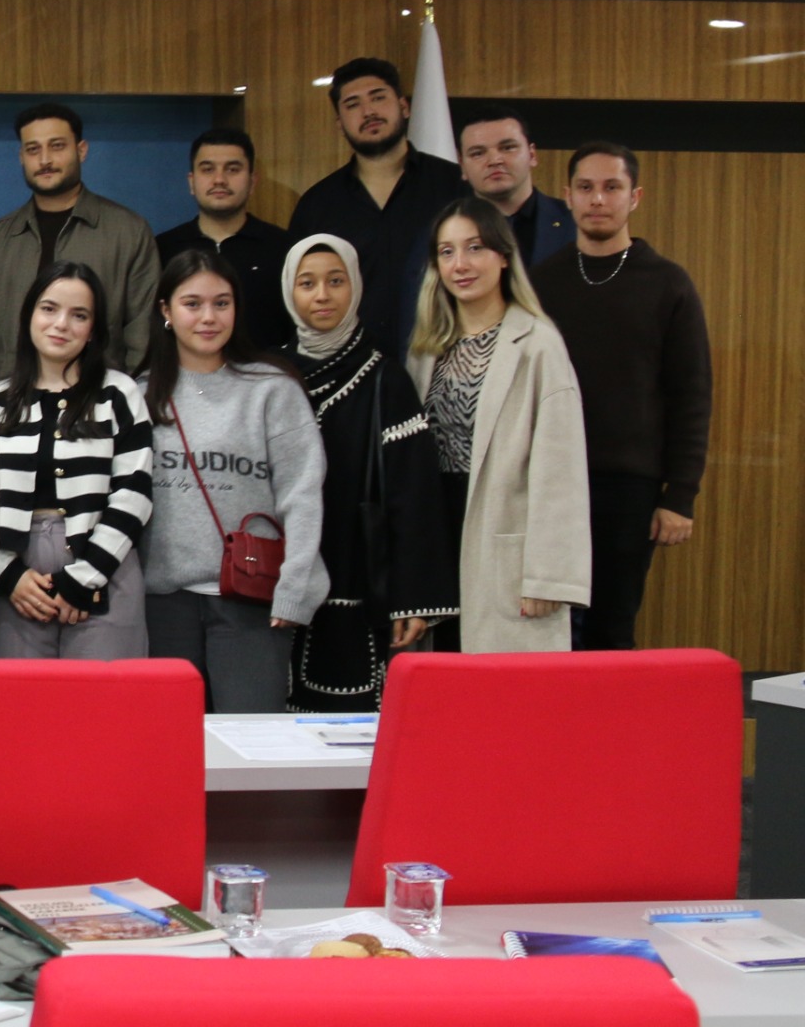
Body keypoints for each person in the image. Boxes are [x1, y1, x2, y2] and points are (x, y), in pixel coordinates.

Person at [531, 142, 711, 651]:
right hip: (550, 483)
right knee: (546, 626)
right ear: (567, 196)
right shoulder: (540, 284)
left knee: (612, 627)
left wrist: (680, 496)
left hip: (629, 488)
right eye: (586, 187)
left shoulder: (668, 283)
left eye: (612, 187)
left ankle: (603, 732)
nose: (598, 199)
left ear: (635, 197)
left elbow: (691, 396)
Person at [139, 248, 328, 710]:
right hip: (160, 607)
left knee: (251, 753)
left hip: (251, 602)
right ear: (166, 310)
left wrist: (295, 590)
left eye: (221, 303)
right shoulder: (138, 393)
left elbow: (302, 494)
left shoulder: (272, 388)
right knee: (168, 755)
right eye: (192, 303)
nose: (208, 317)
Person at [279, 235, 457, 707]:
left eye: (336, 281)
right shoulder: (270, 375)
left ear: (355, 287)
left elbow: (415, 498)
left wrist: (411, 598)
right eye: (307, 283)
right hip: (276, 586)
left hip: (361, 582)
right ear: (288, 292)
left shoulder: (385, 379)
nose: (322, 295)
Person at [408, 200, 592, 654]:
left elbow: (560, 471)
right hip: (439, 536)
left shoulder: (538, 344)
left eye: (474, 248)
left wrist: (547, 574)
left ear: (503, 255)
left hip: (502, 539)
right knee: (441, 691)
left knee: (506, 703)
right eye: (446, 252)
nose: (460, 264)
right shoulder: (427, 346)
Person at [0, 263, 153, 660]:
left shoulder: (118, 393)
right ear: (29, 315)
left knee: (104, 712)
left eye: (79, 315)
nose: (62, 324)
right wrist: (7, 574)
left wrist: (85, 578)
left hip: (105, 565)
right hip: (17, 577)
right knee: (23, 713)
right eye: (49, 309)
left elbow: (135, 492)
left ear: (94, 329)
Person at [0, 104, 160, 381]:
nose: (44, 160)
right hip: (9, 410)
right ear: (21, 156)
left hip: (99, 408)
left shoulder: (128, 232)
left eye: (56, 146)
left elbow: (143, 336)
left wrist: (133, 408)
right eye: (33, 149)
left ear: (81, 150)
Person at [286, 59, 466, 356]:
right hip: (351, 369)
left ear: (404, 107)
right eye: (353, 104)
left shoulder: (453, 186)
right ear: (339, 124)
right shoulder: (317, 205)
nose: (368, 111)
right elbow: (299, 298)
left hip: (444, 360)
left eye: (378, 97)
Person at [154, 128, 293, 352]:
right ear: (191, 182)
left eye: (233, 169)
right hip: (182, 380)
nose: (219, 179)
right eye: (208, 169)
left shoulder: (284, 249)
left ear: (252, 181)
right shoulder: (163, 249)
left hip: (266, 379)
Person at [458, 113, 573, 267]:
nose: (494, 160)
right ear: (462, 166)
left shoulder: (575, 223)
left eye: (507, 148)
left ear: (532, 155)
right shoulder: (443, 232)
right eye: (478, 153)